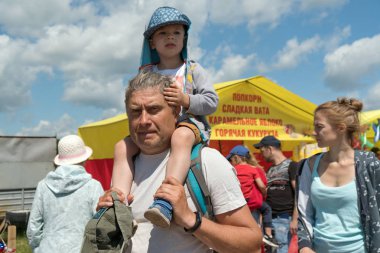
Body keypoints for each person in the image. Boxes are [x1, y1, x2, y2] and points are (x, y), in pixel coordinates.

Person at [97, 71, 262, 253]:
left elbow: (252, 245)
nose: (143, 120)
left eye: (154, 110)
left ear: (175, 112)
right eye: (136, 112)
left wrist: (190, 219)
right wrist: (107, 216)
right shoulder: (126, 165)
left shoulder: (206, 161)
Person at [112, 6, 218, 228]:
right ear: (152, 42)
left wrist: (185, 100)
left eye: (177, 32)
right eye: (162, 33)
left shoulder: (193, 70)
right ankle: (117, 204)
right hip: (156, 132)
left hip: (189, 125)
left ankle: (166, 199)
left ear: (184, 39)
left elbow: (211, 102)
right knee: (122, 146)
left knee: (180, 138)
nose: (170, 36)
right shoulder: (146, 73)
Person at [297, 97, 380, 253]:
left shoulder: (368, 165)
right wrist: (305, 247)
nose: (314, 133)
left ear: (340, 128)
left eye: (319, 127)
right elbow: (304, 213)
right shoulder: (309, 165)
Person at [27, 135, 104, 253]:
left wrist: (38, 249)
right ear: (85, 159)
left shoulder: (43, 186)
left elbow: (33, 228)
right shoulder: (93, 186)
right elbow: (101, 227)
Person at [226, 145, 279, 249]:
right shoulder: (253, 169)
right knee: (267, 209)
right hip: (252, 202)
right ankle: (268, 235)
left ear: (236, 158)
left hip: (238, 203)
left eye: (231, 159)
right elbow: (261, 186)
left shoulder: (232, 170)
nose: (231, 162)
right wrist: (264, 192)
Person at [254, 136, 298, 253]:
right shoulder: (269, 170)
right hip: (269, 220)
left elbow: (299, 194)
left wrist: (295, 218)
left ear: (270, 149)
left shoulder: (292, 165)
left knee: (281, 249)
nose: (261, 154)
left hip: (284, 218)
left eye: (262, 150)